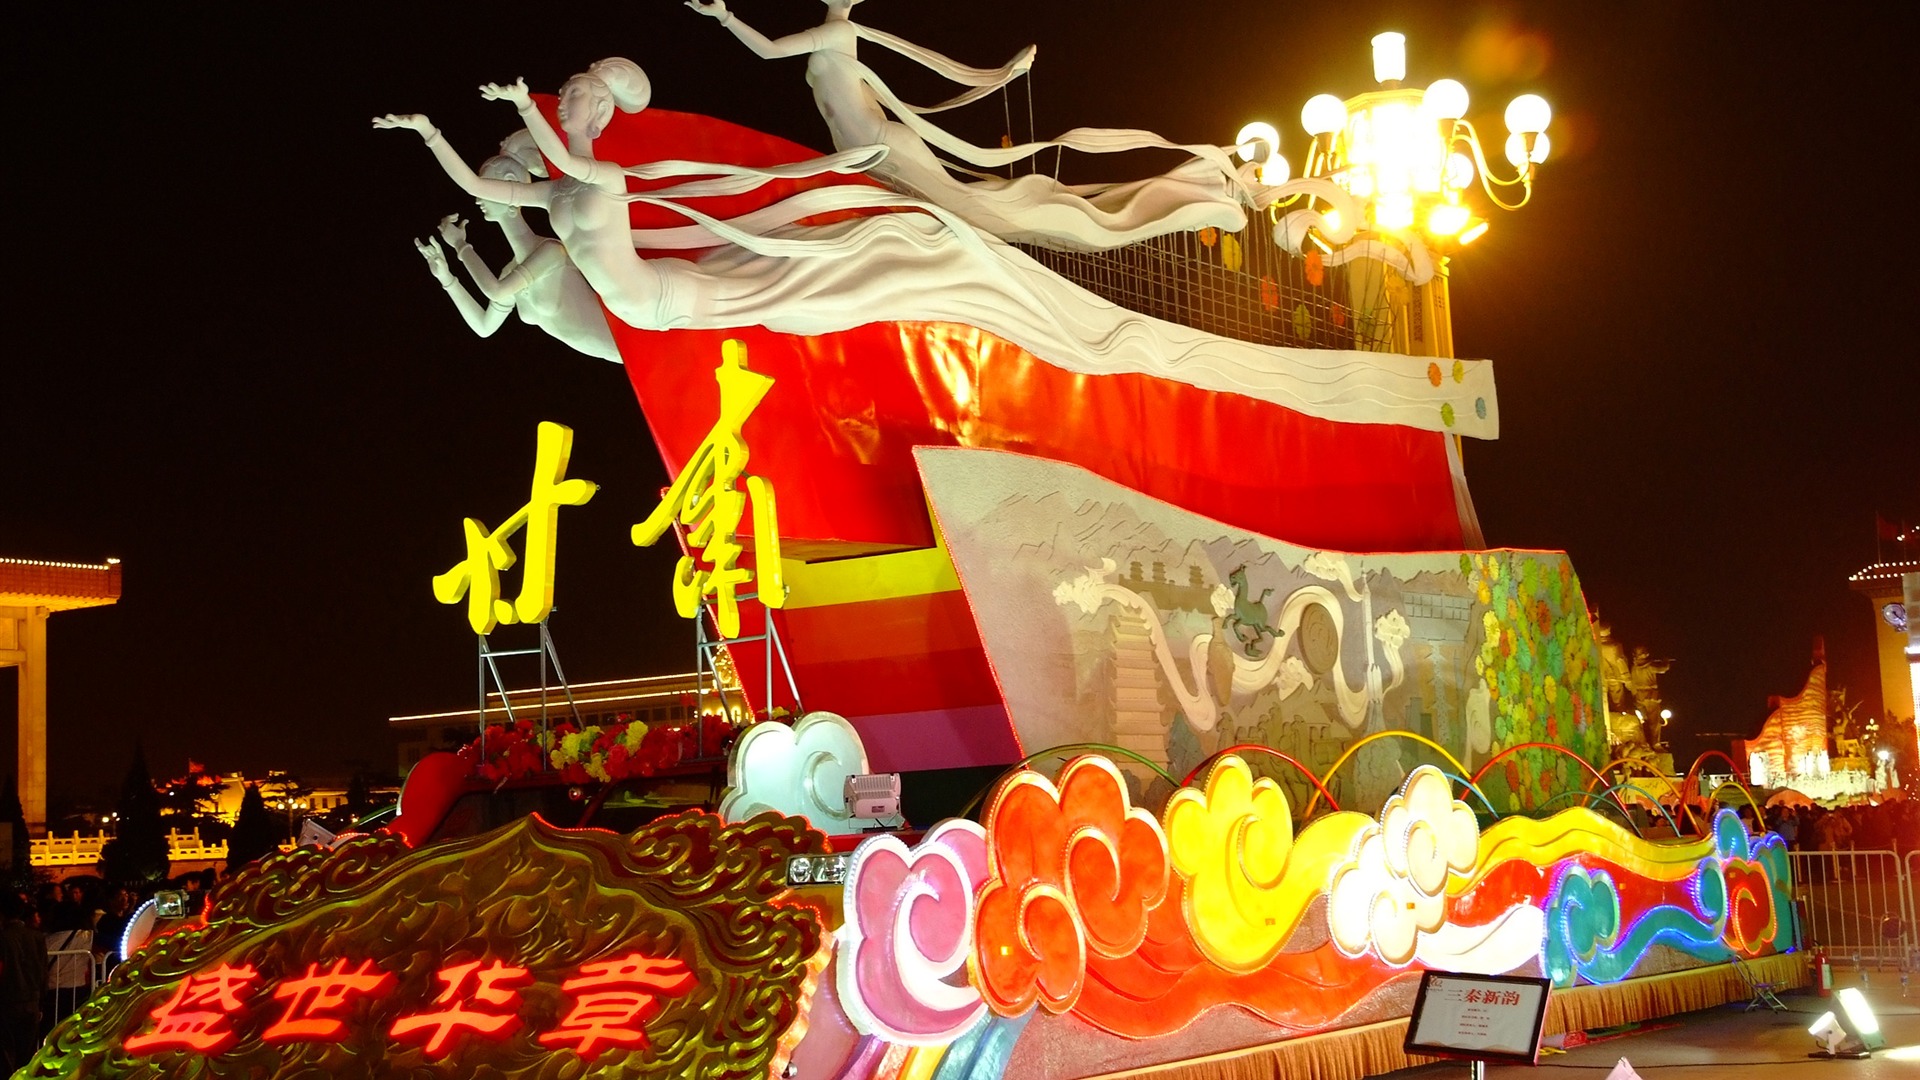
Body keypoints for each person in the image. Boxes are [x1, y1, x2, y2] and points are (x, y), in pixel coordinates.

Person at [686, 0, 1248, 251]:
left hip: (883, 148)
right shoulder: (844, 35)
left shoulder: (834, 35)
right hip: (871, 152)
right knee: (980, 209)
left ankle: (1175, 199)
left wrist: (727, 16)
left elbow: (764, 53)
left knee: (984, 212)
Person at [416, 133, 621, 364]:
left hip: (629, 343)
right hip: (623, 360)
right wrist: (447, 278)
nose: (477, 199)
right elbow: (484, 327)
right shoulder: (511, 271)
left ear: (511, 183)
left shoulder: (552, 252)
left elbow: (495, 290)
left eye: (487, 187)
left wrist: (460, 246)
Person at [0, 891, 48, 1071]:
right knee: (27, 1055)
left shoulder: (4, 938)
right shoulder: (36, 937)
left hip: (8, 1001)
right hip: (32, 1001)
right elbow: (44, 972)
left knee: (6, 1055)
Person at [41, 904, 91, 1036]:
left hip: (52, 991)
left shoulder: (46, 940)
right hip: (76, 988)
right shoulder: (84, 936)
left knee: (52, 1029)